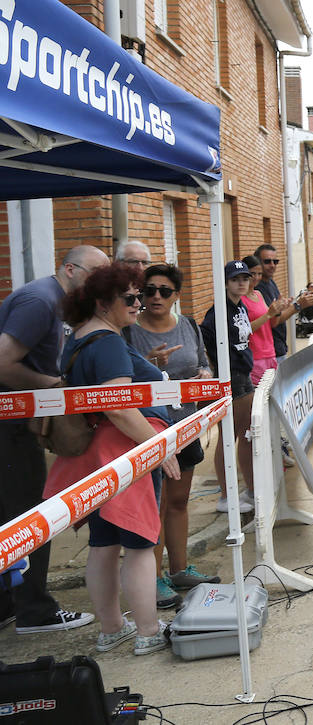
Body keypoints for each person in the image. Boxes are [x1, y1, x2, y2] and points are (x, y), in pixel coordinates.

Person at [46, 262, 179, 655]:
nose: (140, 303)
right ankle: (148, 631)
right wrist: (159, 449)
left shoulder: (79, 338)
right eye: (131, 297)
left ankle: (111, 628)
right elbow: (119, 407)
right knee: (140, 543)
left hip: (99, 452)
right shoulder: (106, 342)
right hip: (124, 449)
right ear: (104, 304)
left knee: (103, 543)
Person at [0, 245, 106, 636]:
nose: (100, 282)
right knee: (29, 513)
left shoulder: (56, 301)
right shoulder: (40, 301)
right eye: (95, 273)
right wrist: (56, 387)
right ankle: (35, 612)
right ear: (70, 269)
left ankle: (10, 604)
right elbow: (3, 362)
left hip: (15, 420)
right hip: (8, 423)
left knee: (11, 512)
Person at [126, 264, 221, 608]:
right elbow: (124, 382)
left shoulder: (189, 326)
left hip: (186, 427)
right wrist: (149, 362)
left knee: (179, 502)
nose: (155, 297)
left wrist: (205, 373)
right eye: (149, 290)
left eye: (164, 291)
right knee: (157, 505)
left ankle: (180, 570)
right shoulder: (130, 334)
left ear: (176, 296)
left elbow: (204, 363)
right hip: (150, 432)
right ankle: (154, 579)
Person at [201, 261, 257, 514]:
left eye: (244, 278)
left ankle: (249, 489)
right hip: (231, 378)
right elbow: (208, 342)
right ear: (225, 283)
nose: (241, 283)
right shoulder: (218, 313)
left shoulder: (239, 306)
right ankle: (225, 496)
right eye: (235, 279)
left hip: (244, 374)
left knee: (247, 434)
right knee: (229, 437)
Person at [254, 244, 313, 362]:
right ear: (258, 262)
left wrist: (290, 304)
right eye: (267, 261)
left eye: (275, 261)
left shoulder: (270, 282)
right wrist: (298, 306)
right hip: (268, 353)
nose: (272, 265)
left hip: (278, 348)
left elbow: (277, 314)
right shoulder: (258, 289)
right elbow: (273, 321)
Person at [242, 256, 289, 386]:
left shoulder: (258, 294)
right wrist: (269, 314)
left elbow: (271, 324)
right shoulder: (240, 300)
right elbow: (245, 329)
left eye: (259, 274)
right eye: (252, 274)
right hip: (255, 356)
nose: (256, 278)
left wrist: (278, 310)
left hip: (270, 353)